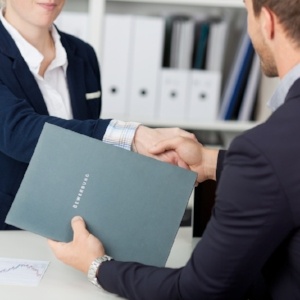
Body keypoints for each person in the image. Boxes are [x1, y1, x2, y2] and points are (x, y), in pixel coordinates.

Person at [48, 0, 300, 299]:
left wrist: (97, 265)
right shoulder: (275, 147)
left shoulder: (263, 149)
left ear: (267, 22)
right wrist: (209, 162)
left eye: (248, 13)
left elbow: (197, 291)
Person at [0, 0, 195, 230]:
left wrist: (150, 155)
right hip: (11, 231)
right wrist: (132, 137)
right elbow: (18, 130)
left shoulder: (83, 54)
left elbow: (88, 148)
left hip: (77, 225)